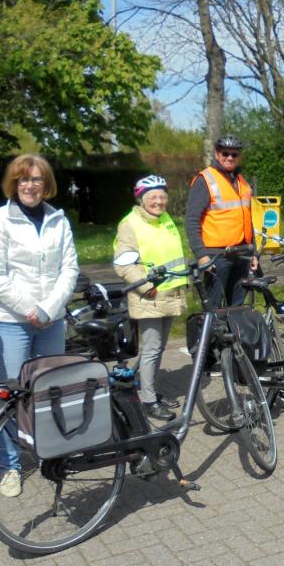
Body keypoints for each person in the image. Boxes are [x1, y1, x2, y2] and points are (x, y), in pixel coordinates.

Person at [0, 154, 79, 498]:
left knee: (50, 388)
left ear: (45, 183)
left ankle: (51, 451)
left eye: (36, 179)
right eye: (23, 180)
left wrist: (49, 308)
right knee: (12, 394)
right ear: (14, 183)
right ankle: (10, 464)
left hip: (50, 320)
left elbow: (69, 269)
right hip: (12, 322)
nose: (30, 185)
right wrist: (29, 310)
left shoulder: (58, 220)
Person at [114, 175, 188, 421]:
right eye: (153, 197)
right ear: (142, 199)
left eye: (162, 196)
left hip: (170, 293)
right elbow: (123, 264)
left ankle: (150, 390)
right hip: (150, 295)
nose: (159, 201)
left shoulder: (164, 219)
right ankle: (147, 400)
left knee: (158, 348)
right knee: (152, 349)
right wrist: (146, 286)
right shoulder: (130, 223)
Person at [185, 135, 257, 308]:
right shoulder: (206, 180)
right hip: (217, 256)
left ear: (239, 156)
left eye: (234, 154)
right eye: (225, 153)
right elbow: (191, 220)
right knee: (213, 308)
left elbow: (246, 218)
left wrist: (253, 251)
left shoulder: (242, 182)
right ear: (217, 154)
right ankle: (211, 336)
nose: (230, 157)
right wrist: (201, 256)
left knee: (238, 308)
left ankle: (235, 335)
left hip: (242, 254)